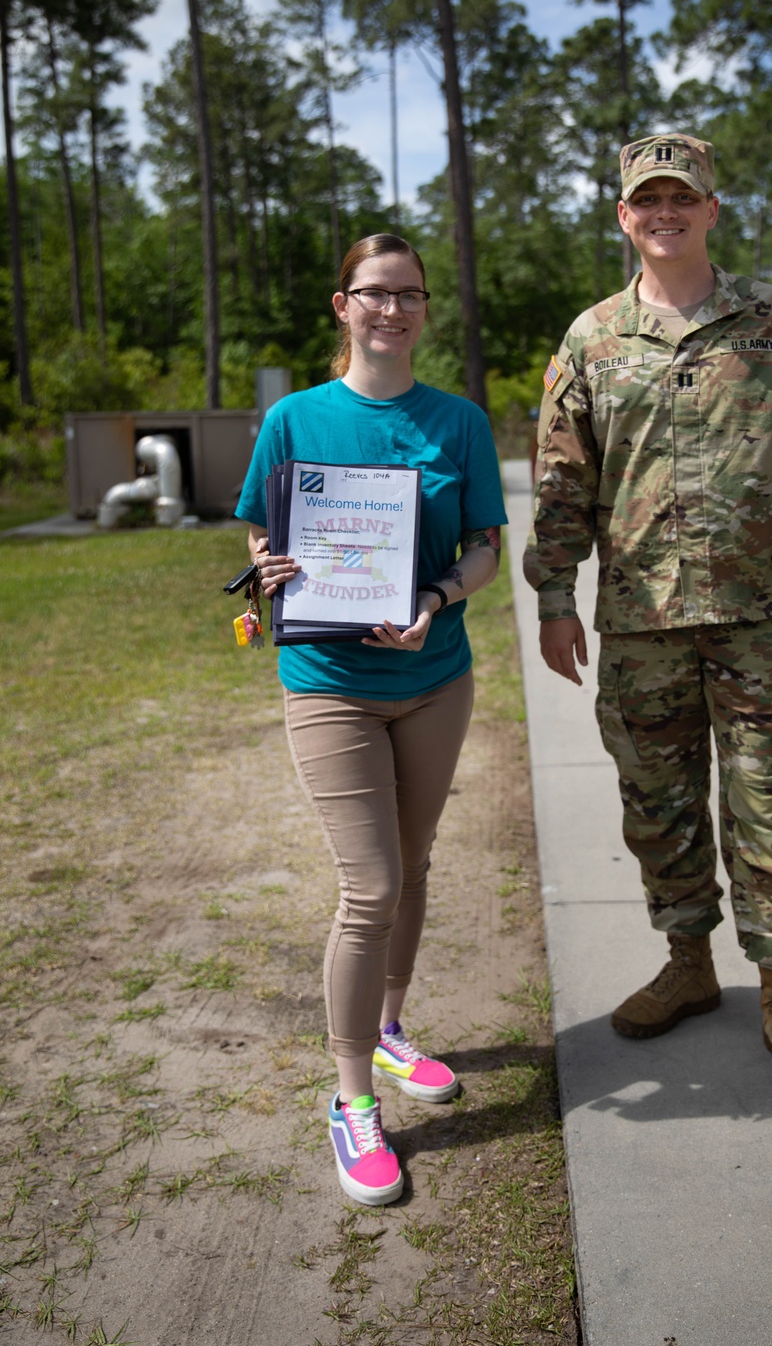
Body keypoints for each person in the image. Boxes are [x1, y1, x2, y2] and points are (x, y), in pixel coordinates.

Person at [524, 133, 772, 1102]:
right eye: (645, 201)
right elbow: (563, 481)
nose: (663, 214)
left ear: (712, 210)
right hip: (640, 621)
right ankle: (688, 964)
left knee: (768, 808)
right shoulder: (590, 340)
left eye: (680, 197)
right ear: (623, 218)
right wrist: (555, 594)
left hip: (756, 617)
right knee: (659, 807)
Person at [236, 233, 507, 1203]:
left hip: (435, 677)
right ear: (341, 305)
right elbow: (265, 530)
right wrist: (272, 564)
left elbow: (485, 550)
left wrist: (435, 596)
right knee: (372, 885)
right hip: (329, 681)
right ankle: (352, 1098)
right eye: (373, 294)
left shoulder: (458, 423)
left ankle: (390, 1030)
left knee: (416, 866)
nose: (391, 310)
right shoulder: (294, 419)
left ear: (425, 310)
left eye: (409, 295)